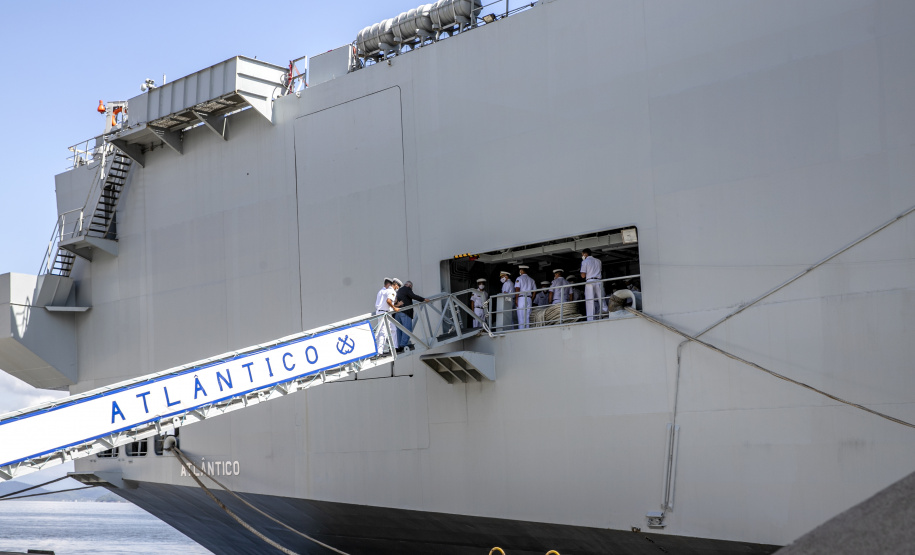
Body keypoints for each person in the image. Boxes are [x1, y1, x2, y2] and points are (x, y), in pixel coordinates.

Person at [393, 279, 425, 351]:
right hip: (405, 312)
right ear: (410, 286)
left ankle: (398, 346)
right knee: (407, 329)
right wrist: (423, 299)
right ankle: (403, 345)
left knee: (398, 330)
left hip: (397, 313)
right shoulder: (407, 289)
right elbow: (413, 296)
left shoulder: (398, 290)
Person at [580, 248, 607, 321]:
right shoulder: (598, 261)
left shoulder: (585, 261)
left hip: (590, 281)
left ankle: (591, 318)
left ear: (585, 254)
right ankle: (605, 313)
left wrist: (583, 262)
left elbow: (583, 275)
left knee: (590, 300)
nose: (582, 256)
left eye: (582, 254)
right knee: (601, 298)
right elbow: (600, 271)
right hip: (598, 280)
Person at [374, 278, 398, 354]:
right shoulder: (390, 291)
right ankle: (380, 351)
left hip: (380, 312)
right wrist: (394, 307)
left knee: (392, 329)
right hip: (385, 313)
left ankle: (394, 347)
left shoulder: (381, 291)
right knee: (383, 332)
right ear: (389, 285)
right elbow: (388, 301)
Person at [514, 265, 536, 329]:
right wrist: (531, 299)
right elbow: (534, 291)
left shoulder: (519, 278)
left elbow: (517, 289)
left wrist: (516, 299)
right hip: (529, 298)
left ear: (521, 270)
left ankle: (521, 330)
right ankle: (527, 330)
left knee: (521, 316)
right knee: (528, 316)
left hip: (521, 298)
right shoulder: (531, 280)